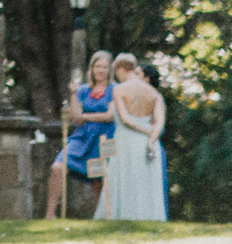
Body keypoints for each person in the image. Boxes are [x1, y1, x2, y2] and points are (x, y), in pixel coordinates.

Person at [95, 55, 167, 221]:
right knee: (144, 183)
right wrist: (150, 138)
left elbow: (126, 120)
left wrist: (143, 131)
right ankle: (148, 218)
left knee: (124, 180)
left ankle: (120, 216)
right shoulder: (154, 93)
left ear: (120, 69)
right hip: (148, 143)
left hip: (126, 140)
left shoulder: (119, 89)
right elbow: (159, 122)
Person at [46, 52, 112, 220]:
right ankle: (50, 214)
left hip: (103, 139)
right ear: (92, 68)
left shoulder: (114, 89)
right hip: (82, 137)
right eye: (98, 66)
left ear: (109, 69)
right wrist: (73, 94)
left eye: (104, 67)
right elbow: (75, 117)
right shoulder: (82, 90)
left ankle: (100, 219)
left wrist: (86, 117)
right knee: (57, 168)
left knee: (98, 181)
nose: (101, 70)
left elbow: (109, 116)